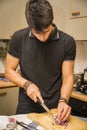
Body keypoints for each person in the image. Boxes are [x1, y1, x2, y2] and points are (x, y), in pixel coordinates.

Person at [5, 0, 76, 123]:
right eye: (37, 33)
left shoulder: (67, 42)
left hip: (55, 108)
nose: (42, 38)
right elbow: (9, 70)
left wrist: (63, 100)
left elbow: (68, 77)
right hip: (26, 106)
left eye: (46, 31)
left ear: (52, 18)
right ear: (29, 24)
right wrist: (27, 85)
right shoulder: (18, 38)